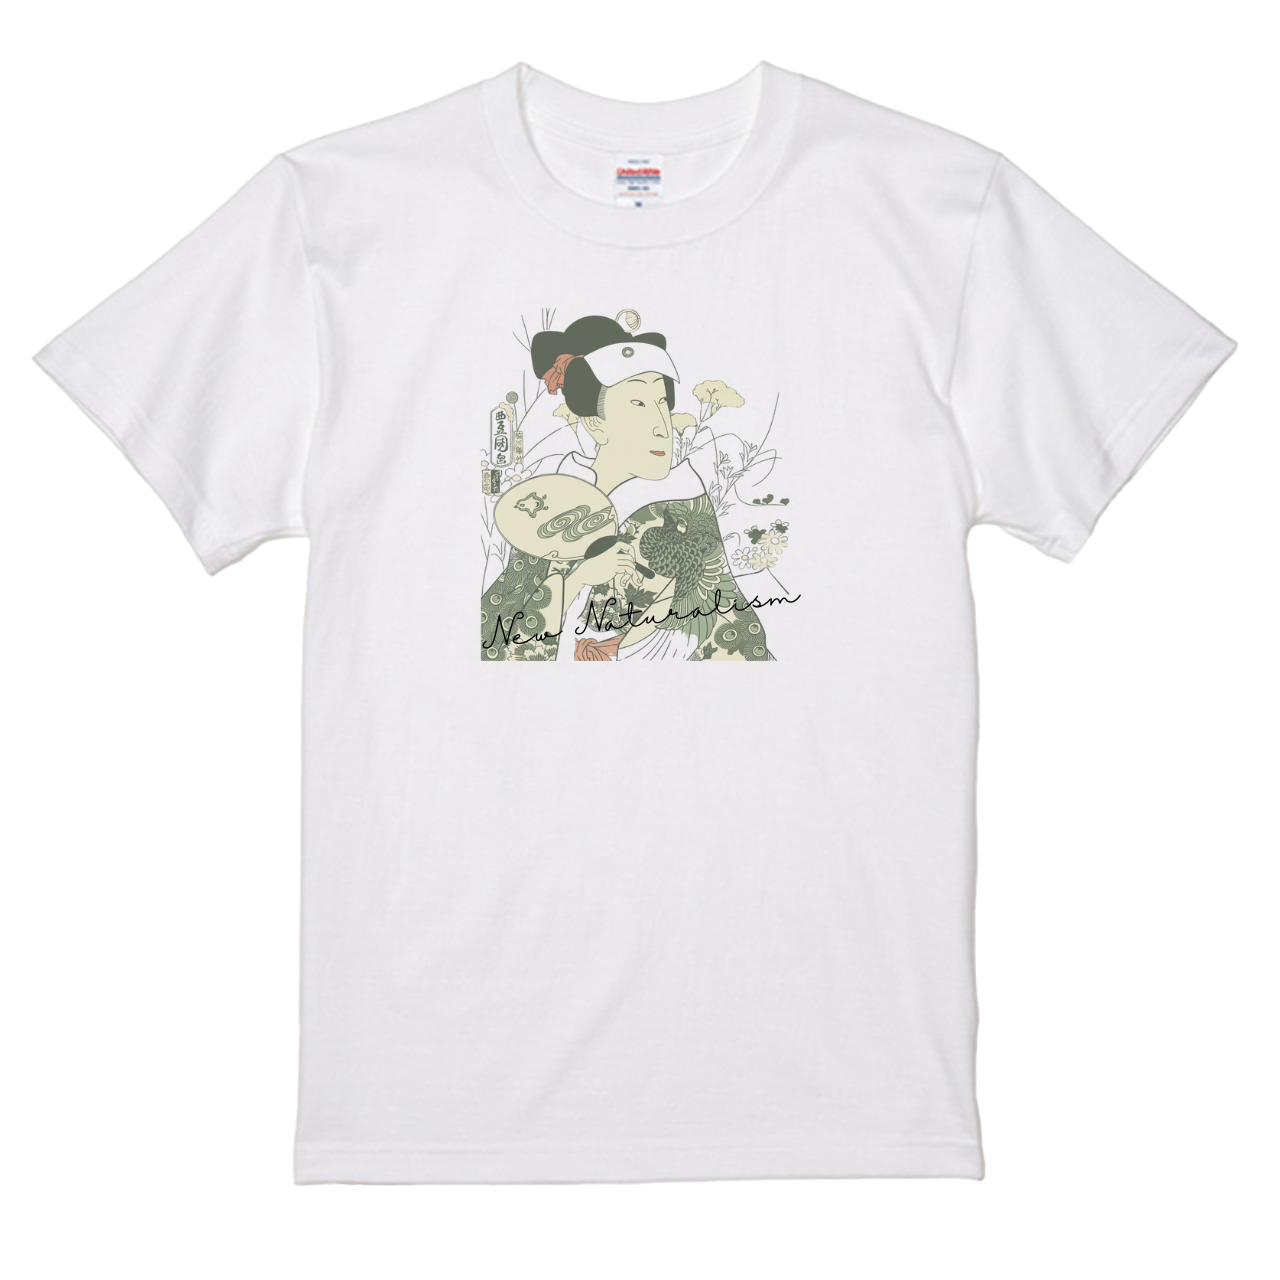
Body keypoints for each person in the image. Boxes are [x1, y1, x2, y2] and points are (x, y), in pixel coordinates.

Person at [480, 315, 769, 661]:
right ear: (595, 423)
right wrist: (579, 579)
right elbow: (498, 627)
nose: (662, 427)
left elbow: (726, 624)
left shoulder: (684, 504)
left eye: (662, 402)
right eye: (638, 404)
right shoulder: (555, 497)